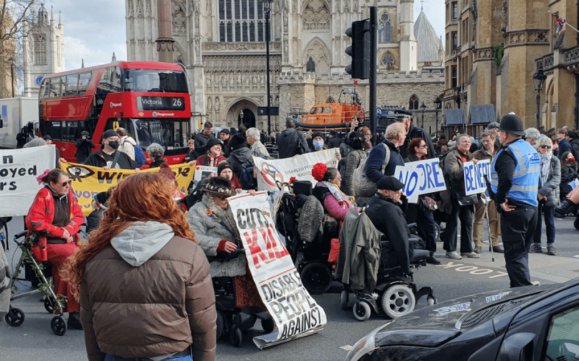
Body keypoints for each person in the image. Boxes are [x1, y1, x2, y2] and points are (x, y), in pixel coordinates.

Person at [66, 173, 216, 361]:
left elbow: (89, 323)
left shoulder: (95, 255)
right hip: (171, 355)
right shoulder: (189, 253)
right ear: (165, 202)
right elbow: (203, 322)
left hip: (116, 354)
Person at [25, 169, 84, 329]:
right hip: (46, 243)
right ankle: (73, 312)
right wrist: (61, 232)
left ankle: (69, 308)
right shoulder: (43, 195)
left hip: (66, 240)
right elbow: (35, 222)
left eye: (69, 182)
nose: (68, 186)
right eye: (64, 183)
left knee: (75, 261)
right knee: (74, 257)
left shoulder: (69, 194)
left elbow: (79, 216)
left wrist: (69, 231)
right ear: (52, 184)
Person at [489, 113, 541, 288]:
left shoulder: (508, 153)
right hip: (532, 208)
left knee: (514, 256)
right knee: (521, 254)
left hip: (514, 208)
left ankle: (522, 294)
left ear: (505, 134)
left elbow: (507, 178)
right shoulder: (530, 150)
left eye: (500, 133)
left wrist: (501, 200)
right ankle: (523, 289)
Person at [441, 134, 480, 260]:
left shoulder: (469, 155)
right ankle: (450, 249)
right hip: (454, 193)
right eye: (464, 142)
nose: (467, 144)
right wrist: (468, 166)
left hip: (467, 193)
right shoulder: (451, 156)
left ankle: (467, 249)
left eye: (469, 142)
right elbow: (453, 172)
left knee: (468, 221)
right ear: (458, 144)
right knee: (453, 221)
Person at [365, 176, 411, 276]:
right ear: (386, 192)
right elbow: (400, 239)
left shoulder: (373, 201)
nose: (400, 193)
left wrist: (401, 201)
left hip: (377, 246)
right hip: (388, 251)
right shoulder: (388, 209)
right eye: (397, 191)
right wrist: (406, 268)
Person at [405, 138, 440, 265]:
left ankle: (430, 253)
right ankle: (413, 252)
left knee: (430, 226)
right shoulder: (408, 161)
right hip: (413, 201)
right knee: (412, 226)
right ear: (416, 148)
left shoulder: (426, 162)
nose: (427, 148)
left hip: (425, 200)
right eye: (424, 146)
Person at [472, 131, 503, 254]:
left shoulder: (499, 153)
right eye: (483, 141)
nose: (485, 143)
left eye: (487, 141)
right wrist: (473, 163)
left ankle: (494, 242)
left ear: (493, 140)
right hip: (482, 190)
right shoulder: (477, 154)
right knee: (479, 217)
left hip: (495, 189)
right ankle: (478, 243)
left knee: (494, 218)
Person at [530, 136, 561, 256]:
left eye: (548, 146)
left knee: (550, 221)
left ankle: (550, 245)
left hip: (549, 195)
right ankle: (536, 244)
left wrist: (543, 192)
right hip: (536, 194)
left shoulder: (555, 160)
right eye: (543, 146)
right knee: (536, 221)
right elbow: (532, 176)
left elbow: (556, 179)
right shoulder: (534, 159)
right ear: (539, 148)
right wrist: (538, 192)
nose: (546, 149)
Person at [342, 131, 369, 196]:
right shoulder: (363, 153)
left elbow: (349, 175)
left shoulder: (354, 154)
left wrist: (351, 194)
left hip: (356, 189)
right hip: (358, 188)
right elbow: (349, 176)